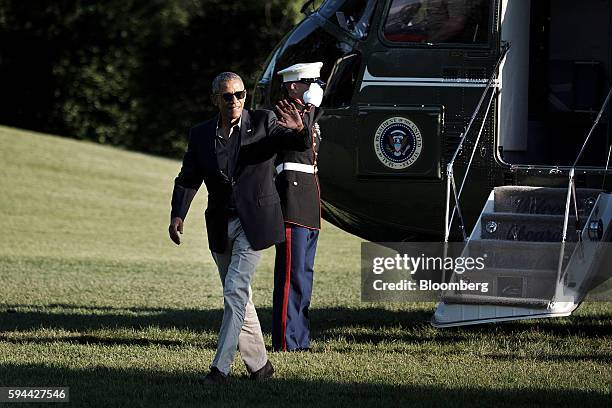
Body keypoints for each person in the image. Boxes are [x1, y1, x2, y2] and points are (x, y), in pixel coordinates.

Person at [168, 72, 310, 384]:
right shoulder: (201, 134)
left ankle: (220, 369)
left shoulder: (264, 121)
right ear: (215, 99)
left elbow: (293, 141)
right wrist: (178, 214)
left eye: (240, 94)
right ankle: (260, 367)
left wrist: (301, 129)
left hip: (255, 223)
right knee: (239, 296)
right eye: (228, 96)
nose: (235, 100)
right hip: (220, 223)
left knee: (234, 290)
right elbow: (189, 177)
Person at [272, 62, 324, 352]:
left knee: (304, 274)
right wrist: (311, 109)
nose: (314, 87)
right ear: (294, 85)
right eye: (309, 81)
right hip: (292, 201)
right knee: (292, 275)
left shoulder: (308, 114)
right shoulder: (281, 114)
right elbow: (301, 141)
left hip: (309, 202)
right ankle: (286, 341)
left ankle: (300, 339)